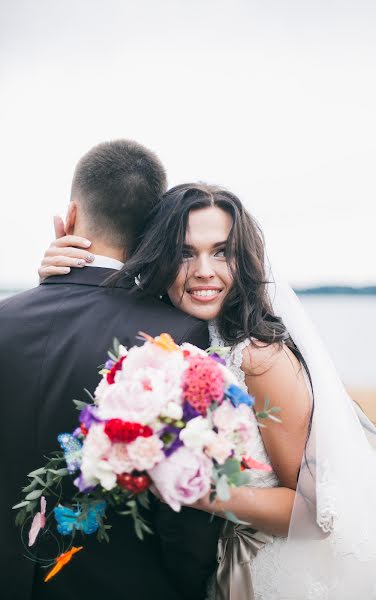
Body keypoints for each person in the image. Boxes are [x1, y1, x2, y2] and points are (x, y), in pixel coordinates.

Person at [40, 181, 376, 599]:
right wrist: (66, 271)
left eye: (221, 251)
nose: (204, 270)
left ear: (242, 260)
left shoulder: (259, 357)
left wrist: (194, 489)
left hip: (268, 573)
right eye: (185, 252)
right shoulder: (176, 341)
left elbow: (316, 512)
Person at [0, 147, 222, 600]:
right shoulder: (180, 336)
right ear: (153, 230)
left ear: (71, 216)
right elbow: (185, 509)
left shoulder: (4, 319)